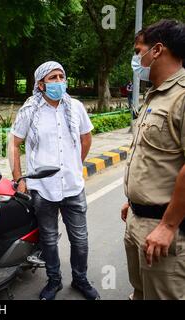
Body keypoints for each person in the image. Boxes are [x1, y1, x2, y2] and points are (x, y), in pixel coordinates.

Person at [9, 61, 99, 300]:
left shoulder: (76, 107)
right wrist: (19, 178)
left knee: (80, 239)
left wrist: (75, 165)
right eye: (53, 78)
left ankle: (80, 279)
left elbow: (86, 138)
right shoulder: (29, 110)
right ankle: (54, 281)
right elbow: (14, 143)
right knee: (48, 239)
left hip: (72, 186)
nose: (59, 82)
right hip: (42, 188)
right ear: (40, 85)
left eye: (61, 76)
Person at [121, 19, 185, 300]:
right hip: (138, 220)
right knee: (140, 293)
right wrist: (135, 198)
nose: (136, 58)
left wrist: (169, 225)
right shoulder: (155, 96)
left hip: (163, 229)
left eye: (138, 51)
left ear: (157, 50)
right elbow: (154, 157)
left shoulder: (181, 97)